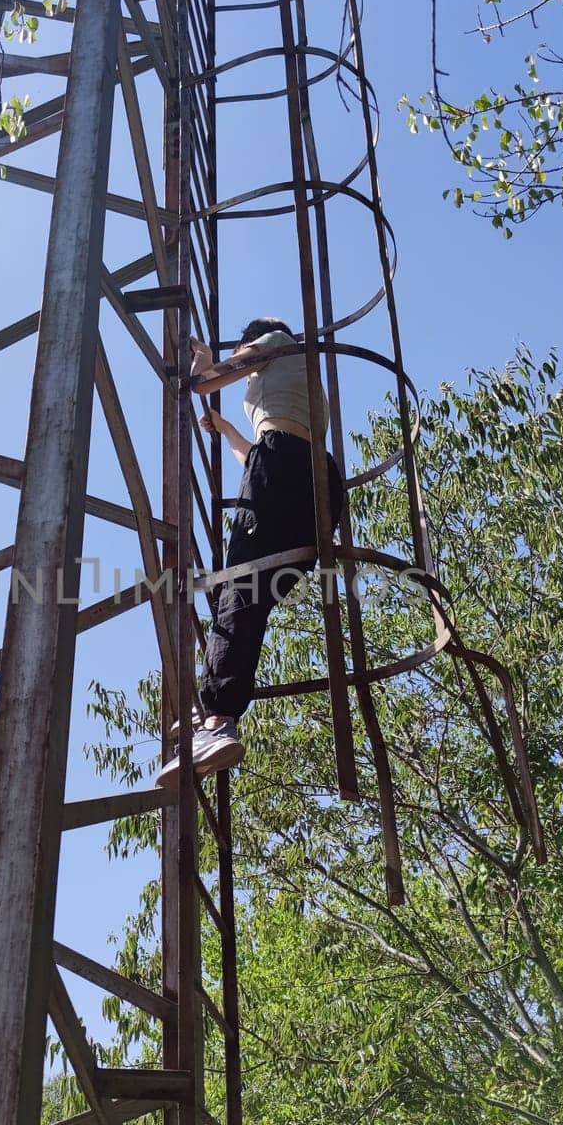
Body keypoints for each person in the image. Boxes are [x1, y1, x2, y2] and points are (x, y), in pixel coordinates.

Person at [158, 318, 345, 785]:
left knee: (239, 589)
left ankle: (218, 718)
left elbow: (204, 382)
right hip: (318, 484)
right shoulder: (300, 387)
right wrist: (223, 428)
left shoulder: (276, 342)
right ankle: (213, 712)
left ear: (251, 342)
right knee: (250, 596)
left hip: (281, 467)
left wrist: (204, 363)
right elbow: (261, 454)